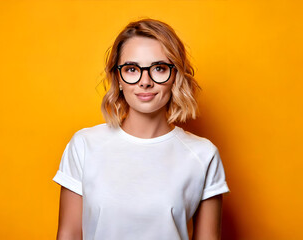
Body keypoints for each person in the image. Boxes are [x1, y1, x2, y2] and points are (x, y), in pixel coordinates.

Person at [53, 18, 230, 240]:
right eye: (131, 69)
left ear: (175, 76)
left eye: (159, 68)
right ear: (118, 77)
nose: (145, 81)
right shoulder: (84, 145)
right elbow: (68, 234)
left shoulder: (203, 155)